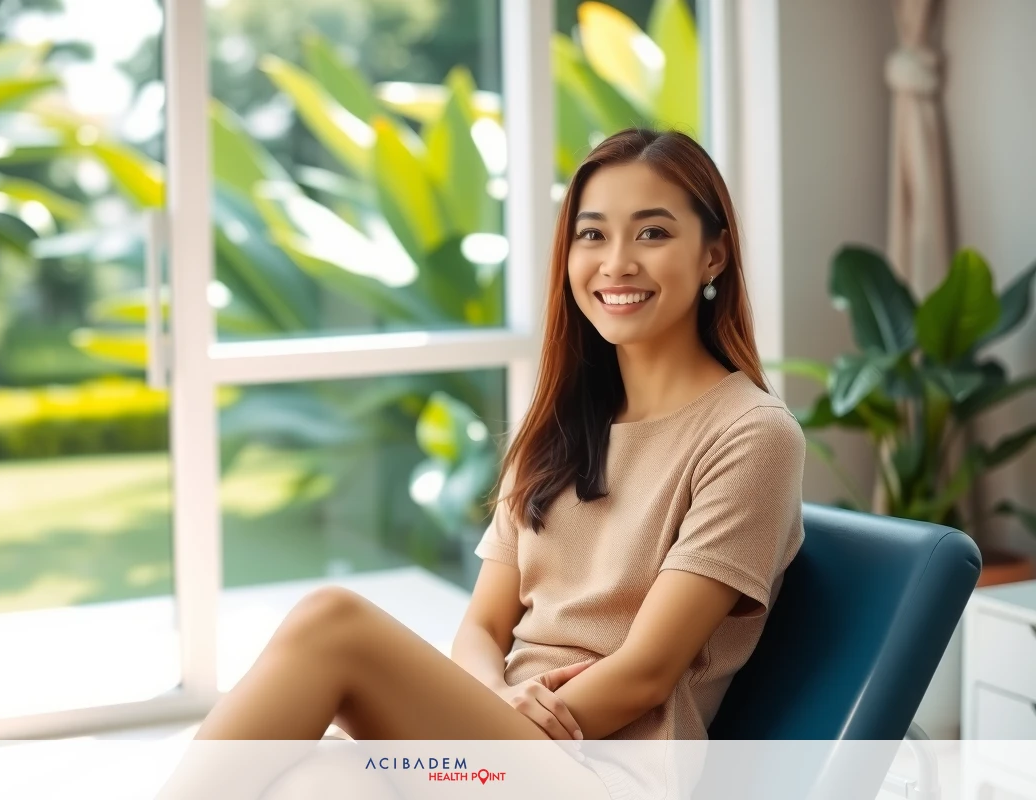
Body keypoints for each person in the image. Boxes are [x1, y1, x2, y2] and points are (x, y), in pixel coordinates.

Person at [158, 127, 805, 800]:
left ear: (713, 256)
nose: (616, 263)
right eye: (592, 236)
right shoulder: (556, 425)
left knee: (332, 625)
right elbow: (482, 627)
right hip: (505, 745)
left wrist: (487, 728)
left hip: (602, 772)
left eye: (652, 234)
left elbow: (646, 671)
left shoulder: (752, 435)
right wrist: (491, 702)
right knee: (319, 778)